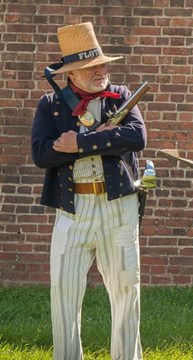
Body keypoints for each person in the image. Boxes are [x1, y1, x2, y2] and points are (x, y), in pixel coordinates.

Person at [30, 22, 146, 360]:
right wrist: (104, 141)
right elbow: (41, 153)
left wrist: (80, 143)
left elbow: (137, 137)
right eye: (92, 66)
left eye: (103, 64)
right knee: (64, 292)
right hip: (73, 207)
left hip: (118, 207)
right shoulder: (50, 104)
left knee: (127, 290)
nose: (102, 70)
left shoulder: (121, 96)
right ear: (72, 74)